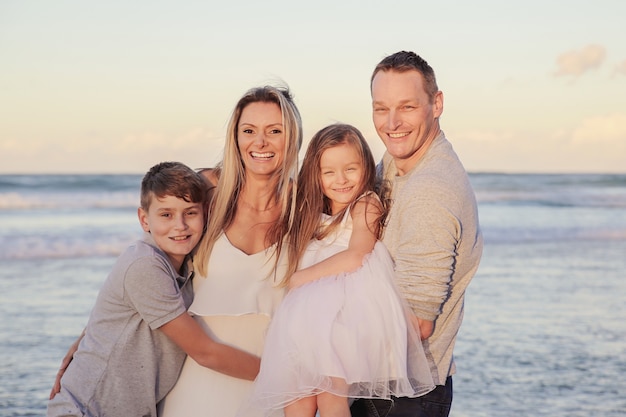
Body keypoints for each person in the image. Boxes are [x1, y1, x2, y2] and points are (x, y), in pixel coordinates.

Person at [244, 124, 435, 417]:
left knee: (331, 393)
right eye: (329, 172)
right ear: (315, 175)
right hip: (309, 321)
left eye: (350, 169)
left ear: (366, 167)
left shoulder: (365, 204)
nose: (341, 180)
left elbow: (356, 255)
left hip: (346, 318)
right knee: (297, 397)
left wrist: (300, 278)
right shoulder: (313, 212)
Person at [47, 161, 262, 417]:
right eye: (166, 215)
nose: (180, 225)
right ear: (144, 219)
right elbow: (204, 352)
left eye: (190, 213)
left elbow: (218, 178)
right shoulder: (145, 265)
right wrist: (280, 376)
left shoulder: (187, 263)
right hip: (86, 410)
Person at [350, 51, 484, 417]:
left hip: (405, 397)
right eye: (381, 108)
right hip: (390, 385)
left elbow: (416, 324)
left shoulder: (431, 190)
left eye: (407, 107)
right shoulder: (398, 160)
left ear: (436, 104)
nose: (392, 123)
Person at [158, 85, 303, 416]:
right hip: (196, 388)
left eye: (274, 131)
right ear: (235, 137)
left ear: (291, 138)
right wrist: (91, 338)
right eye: (249, 131)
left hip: (272, 392)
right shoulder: (207, 190)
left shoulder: (304, 205)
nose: (260, 142)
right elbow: (147, 268)